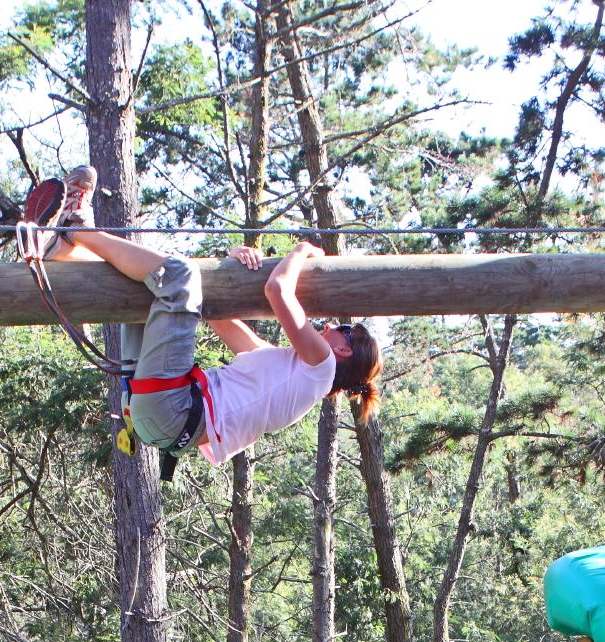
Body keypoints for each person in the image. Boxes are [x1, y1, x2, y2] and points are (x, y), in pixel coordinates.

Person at [43, 165, 382, 477]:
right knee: (149, 284)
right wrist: (231, 263)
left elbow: (278, 289)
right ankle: (64, 252)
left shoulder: (321, 369)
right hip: (156, 412)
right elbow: (214, 315)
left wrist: (302, 250)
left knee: (176, 274)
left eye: (343, 329)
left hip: (170, 408)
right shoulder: (284, 368)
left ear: (344, 349)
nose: (330, 326)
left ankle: (75, 228)